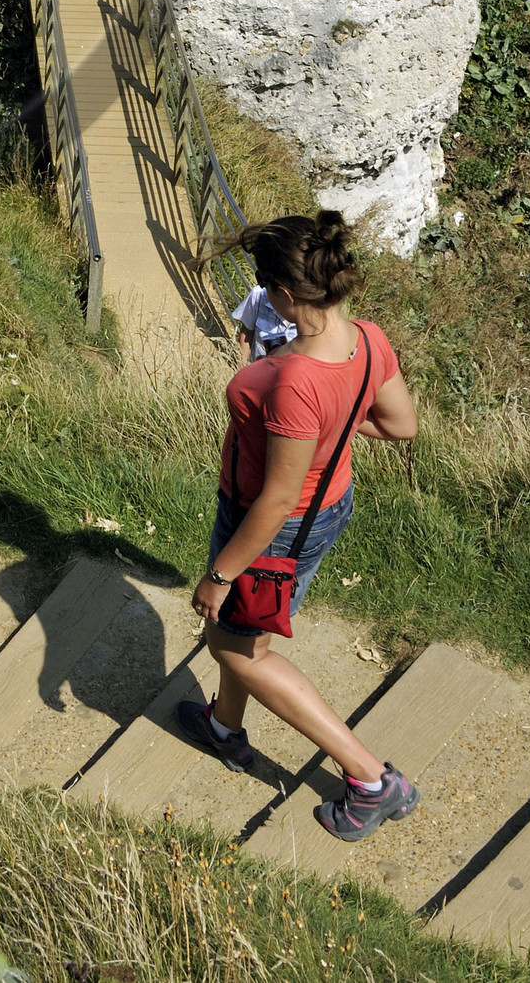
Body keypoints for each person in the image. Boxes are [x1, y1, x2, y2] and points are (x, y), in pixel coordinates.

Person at [179, 210, 421, 841]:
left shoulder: (291, 380)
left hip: (272, 527)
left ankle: (371, 779)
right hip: (327, 508)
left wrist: (219, 574)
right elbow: (400, 424)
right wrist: (331, 431)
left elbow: (277, 499)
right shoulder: (368, 339)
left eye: (264, 285)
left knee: (234, 645)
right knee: (245, 637)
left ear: (286, 294)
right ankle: (224, 728)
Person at [229, 277, 297, 361]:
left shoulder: (312, 309)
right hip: (258, 371)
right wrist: (241, 367)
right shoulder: (259, 295)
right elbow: (246, 333)